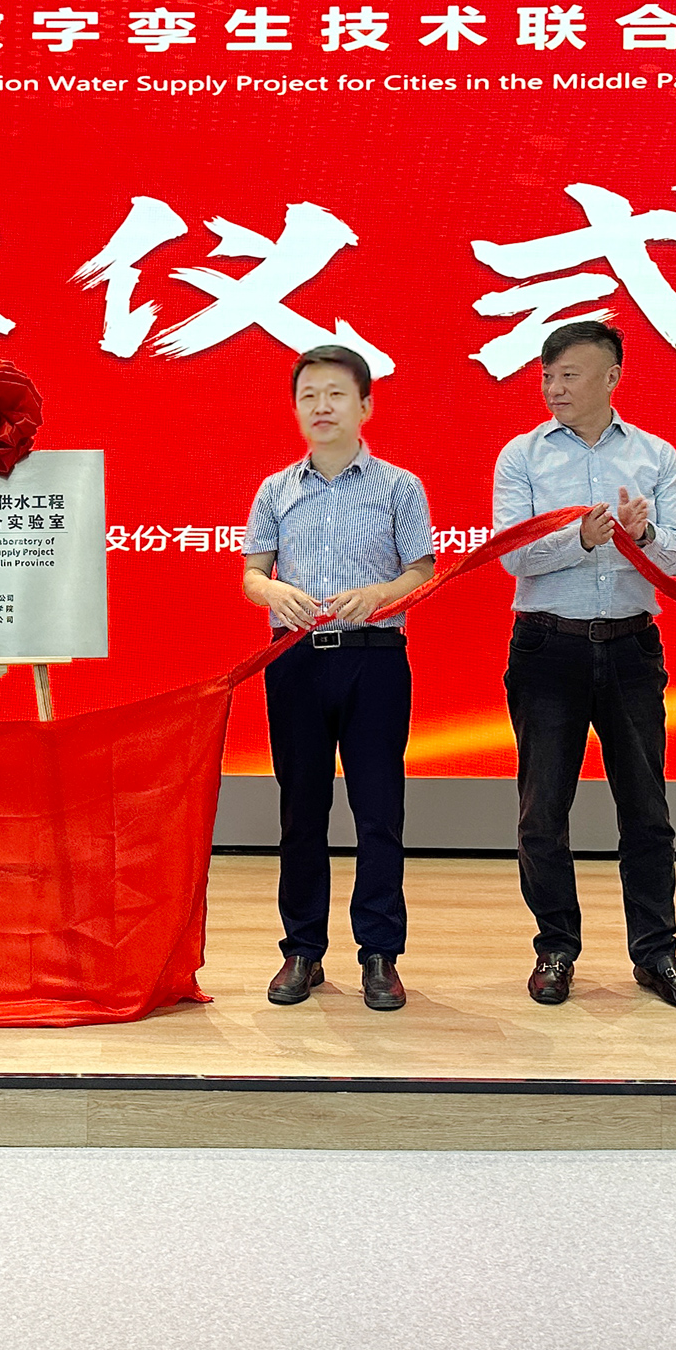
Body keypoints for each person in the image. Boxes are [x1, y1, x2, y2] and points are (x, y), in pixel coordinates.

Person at [491, 319, 676, 1011]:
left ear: (611, 377)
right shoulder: (521, 456)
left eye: (570, 375)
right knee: (542, 812)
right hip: (546, 649)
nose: (555, 388)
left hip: (631, 648)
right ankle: (555, 947)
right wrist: (578, 540)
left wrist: (643, 532)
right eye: (548, 376)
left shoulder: (656, 455)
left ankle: (656, 952)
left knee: (647, 811)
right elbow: (513, 556)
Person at [241, 343, 435, 1012]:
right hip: (294, 659)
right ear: (296, 409)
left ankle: (380, 952)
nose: (321, 407)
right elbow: (252, 573)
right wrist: (271, 591)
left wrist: (380, 593)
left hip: (373, 658)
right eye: (309, 395)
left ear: (365, 406)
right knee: (301, 811)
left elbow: (421, 571)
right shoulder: (275, 489)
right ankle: (302, 949)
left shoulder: (400, 486)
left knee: (379, 810)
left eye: (335, 394)